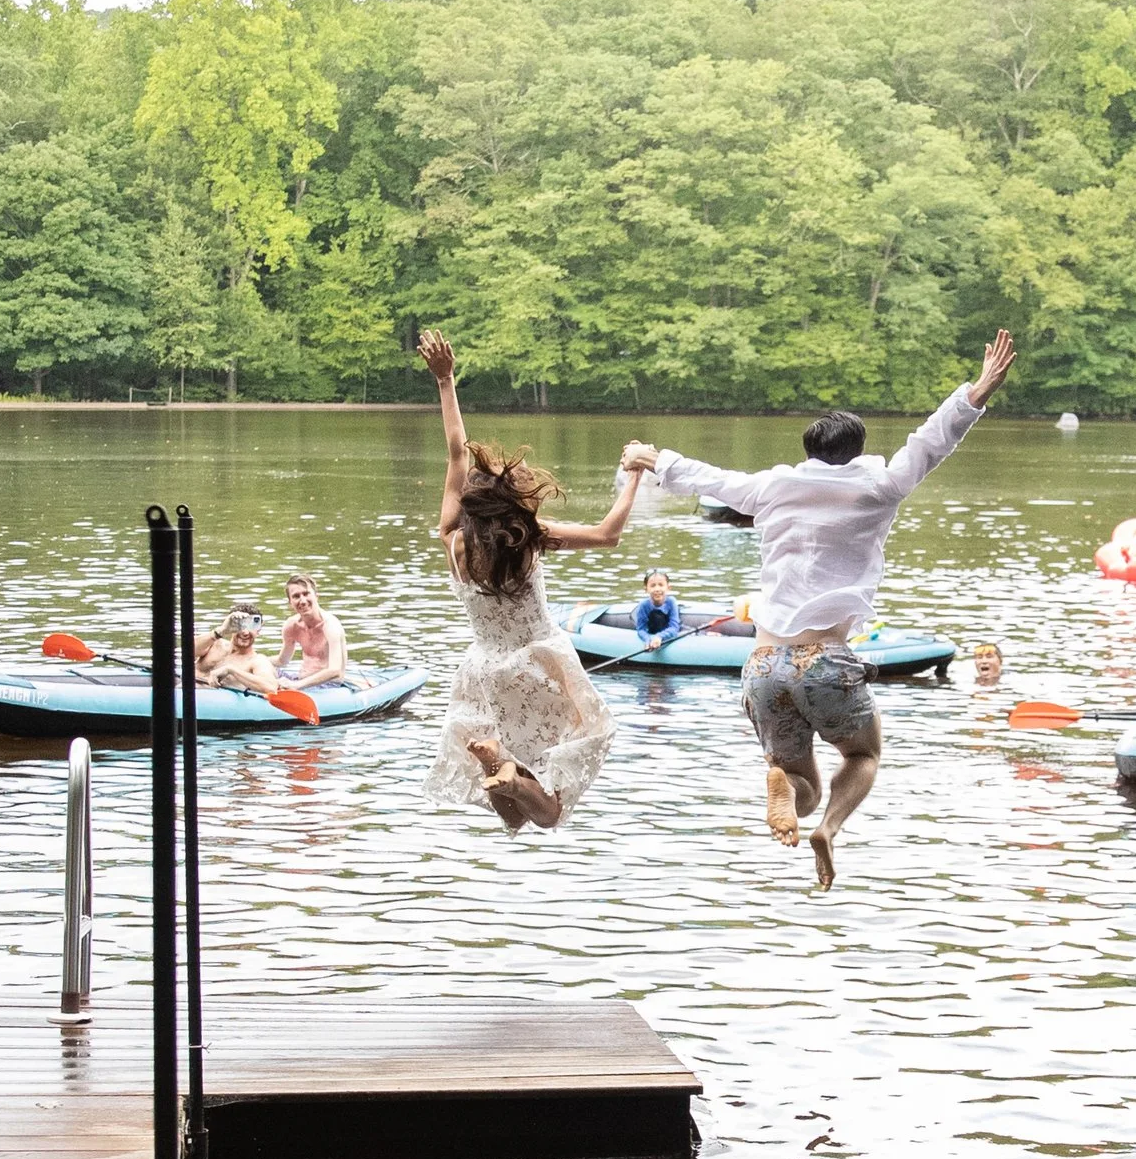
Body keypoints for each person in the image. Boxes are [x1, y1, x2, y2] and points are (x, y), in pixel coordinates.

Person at [621, 329, 1016, 887]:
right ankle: (829, 828)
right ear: (858, 450)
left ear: (808, 452)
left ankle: (785, 787)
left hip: (763, 664)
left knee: (798, 786)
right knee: (863, 757)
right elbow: (932, 441)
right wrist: (976, 391)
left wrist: (649, 456)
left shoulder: (772, 487)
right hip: (824, 660)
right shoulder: (880, 486)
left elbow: (707, 477)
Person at [419, 328, 652, 830]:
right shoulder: (529, 537)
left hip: (483, 667)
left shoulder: (453, 541)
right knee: (551, 809)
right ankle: (505, 771)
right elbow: (607, 534)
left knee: (514, 819)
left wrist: (445, 381)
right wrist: (635, 475)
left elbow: (457, 453)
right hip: (538, 660)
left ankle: (498, 765)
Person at [275, 573, 358, 690]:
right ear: (290, 602)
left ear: (316, 596)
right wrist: (256, 660)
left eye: (306, 594)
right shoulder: (291, 626)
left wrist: (296, 685)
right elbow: (282, 660)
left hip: (328, 685)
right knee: (264, 667)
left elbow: (335, 671)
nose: (303, 601)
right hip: (300, 679)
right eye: (296, 596)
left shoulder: (330, 626)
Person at [195, 601, 278, 695]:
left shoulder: (257, 661)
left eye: (252, 626)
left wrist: (231, 670)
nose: (245, 632)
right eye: (241, 626)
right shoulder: (214, 644)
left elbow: (271, 688)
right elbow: (188, 651)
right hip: (187, 693)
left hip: (212, 701)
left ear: (259, 629)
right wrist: (221, 631)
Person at [635, 568, 682, 651]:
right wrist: (647, 640)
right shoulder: (643, 605)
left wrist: (660, 636)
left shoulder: (671, 602)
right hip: (652, 630)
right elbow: (641, 629)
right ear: (646, 589)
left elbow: (674, 627)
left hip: (666, 632)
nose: (657, 589)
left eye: (661, 585)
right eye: (653, 586)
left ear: (668, 587)